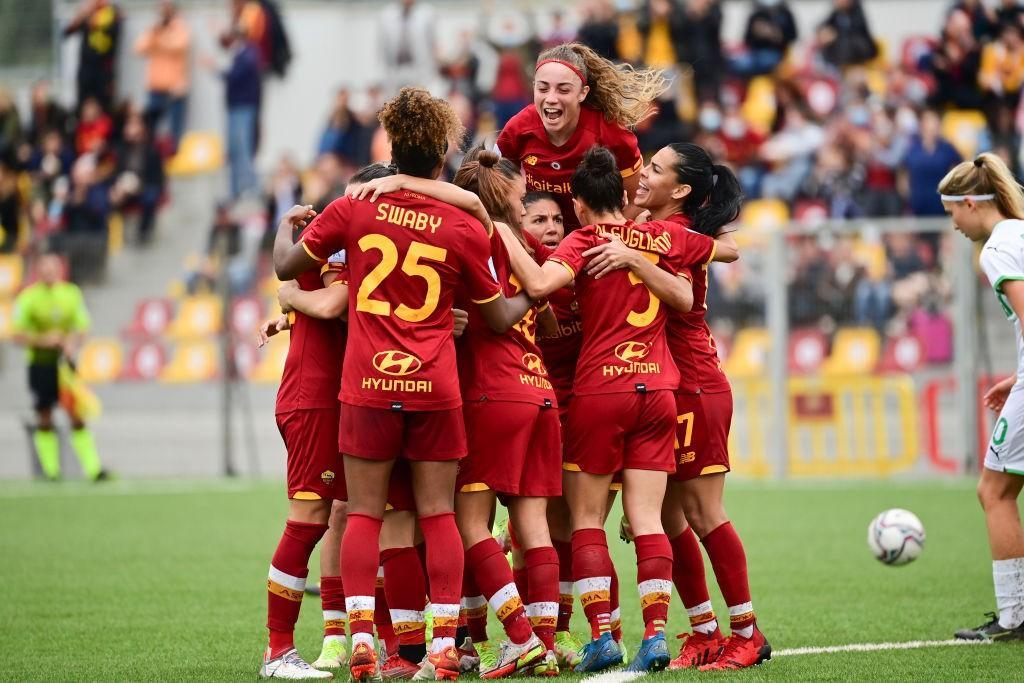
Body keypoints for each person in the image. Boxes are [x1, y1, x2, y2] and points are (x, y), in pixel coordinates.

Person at [273, 87, 533, 682]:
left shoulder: (354, 208)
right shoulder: (461, 223)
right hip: (435, 386)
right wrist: (537, 294)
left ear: (392, 150)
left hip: (365, 383)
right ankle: (443, 647)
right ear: (442, 158)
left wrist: (286, 239)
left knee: (362, 514)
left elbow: (289, 269)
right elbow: (494, 317)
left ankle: (361, 638)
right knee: (440, 515)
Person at [496, 146, 707, 674]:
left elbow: (542, 285)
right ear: (622, 193)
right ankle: (656, 633)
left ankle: (600, 636)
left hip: (600, 391)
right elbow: (688, 291)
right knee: (646, 516)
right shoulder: (659, 236)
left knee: (586, 518)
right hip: (659, 388)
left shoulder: (585, 239)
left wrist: (500, 230)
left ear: (582, 206)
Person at [588, 143, 769, 670]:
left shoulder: (670, 232)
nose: (642, 173)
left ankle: (747, 632)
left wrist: (643, 252)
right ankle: (705, 631)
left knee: (703, 512)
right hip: (661, 384)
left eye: (656, 169)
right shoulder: (652, 222)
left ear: (682, 190)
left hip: (693, 384)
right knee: (669, 518)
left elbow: (728, 253)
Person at [939, 153, 1024, 642]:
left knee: (994, 491)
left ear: (971, 202)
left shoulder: (997, 248)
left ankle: (1014, 617)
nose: (953, 224)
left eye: (953, 211)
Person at [496, 42, 667, 233]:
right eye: (543, 89)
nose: (551, 98)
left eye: (563, 89)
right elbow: (500, 197)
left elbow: (638, 199)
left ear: (582, 93)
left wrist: (597, 238)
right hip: (542, 239)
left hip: (599, 240)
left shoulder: (611, 133)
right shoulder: (517, 129)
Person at [11, 254, 107, 482]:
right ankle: (51, 471)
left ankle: (94, 469)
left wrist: (70, 343)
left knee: (77, 415)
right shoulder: (28, 297)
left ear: (60, 270)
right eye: (44, 268)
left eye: (52, 268)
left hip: (65, 367)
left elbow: (83, 327)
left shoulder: (71, 293)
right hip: (40, 365)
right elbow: (17, 335)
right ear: (37, 271)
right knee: (45, 416)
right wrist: (45, 340)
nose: (48, 272)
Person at [135, 0, 191, 152]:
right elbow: (139, 47)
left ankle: (173, 156)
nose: (164, 9)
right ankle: (152, 157)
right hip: (155, 87)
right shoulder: (154, 28)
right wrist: (156, 35)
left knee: (175, 129)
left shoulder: (179, 26)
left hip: (175, 88)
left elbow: (179, 44)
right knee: (151, 127)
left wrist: (157, 40)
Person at [63, 0, 121, 112]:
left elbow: (113, 32)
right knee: (82, 105)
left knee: (104, 106)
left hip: (104, 70)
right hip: (86, 69)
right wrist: (80, 16)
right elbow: (67, 33)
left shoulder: (112, 13)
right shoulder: (87, 14)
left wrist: (94, 21)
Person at [732, 0, 798, 77]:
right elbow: (747, 40)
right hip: (755, 54)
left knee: (763, 60)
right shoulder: (756, 16)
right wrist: (757, 34)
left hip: (777, 55)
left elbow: (793, 37)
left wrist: (774, 35)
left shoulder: (786, 15)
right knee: (736, 63)